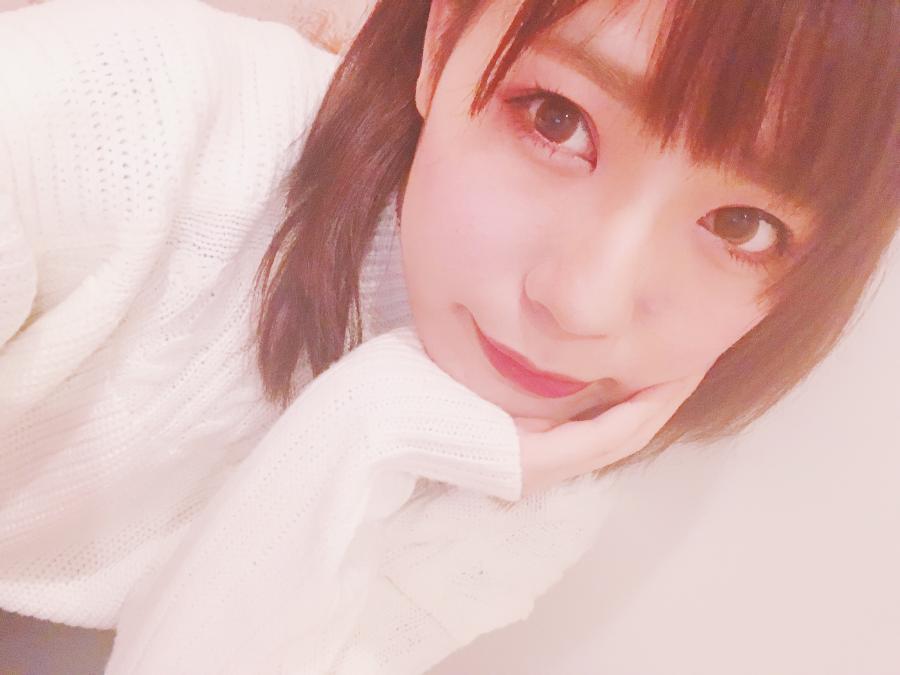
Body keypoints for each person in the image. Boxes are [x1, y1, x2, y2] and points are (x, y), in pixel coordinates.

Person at [1, 0, 897, 671]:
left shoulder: (536, 478)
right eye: (555, 118)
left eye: (742, 226)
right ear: (441, 41)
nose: (583, 306)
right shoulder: (108, 127)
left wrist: (365, 428)